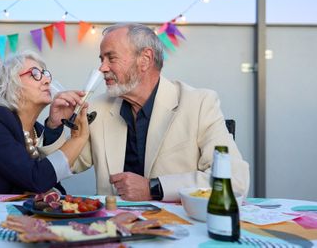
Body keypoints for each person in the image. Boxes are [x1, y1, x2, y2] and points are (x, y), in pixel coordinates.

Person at [49, 23, 250, 201]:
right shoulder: (97, 108)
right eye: (102, 59)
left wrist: (154, 188)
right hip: (114, 230)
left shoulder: (199, 104)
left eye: (111, 58)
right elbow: (66, 166)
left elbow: (234, 180)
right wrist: (54, 127)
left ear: (145, 59)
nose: (102, 68)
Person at [0, 50, 89, 194]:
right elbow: (37, 179)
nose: (47, 80)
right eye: (35, 74)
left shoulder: (37, 130)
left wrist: (53, 126)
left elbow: (51, 180)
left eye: (45, 74)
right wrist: (78, 138)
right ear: (11, 84)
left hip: (9, 214)